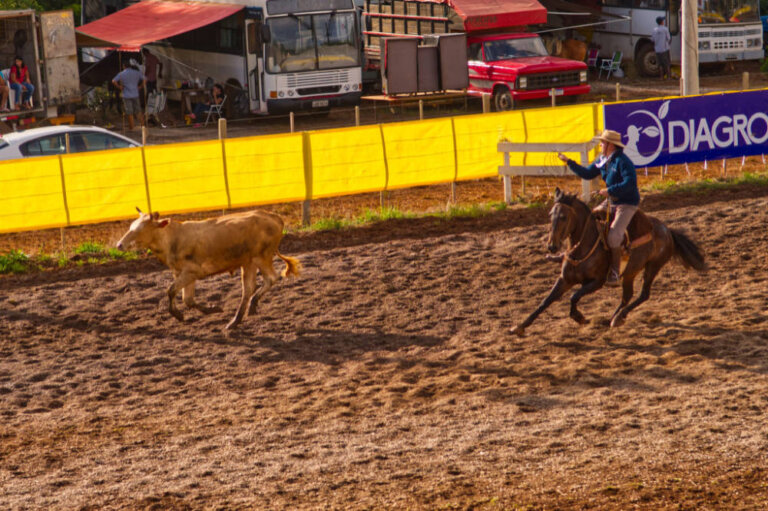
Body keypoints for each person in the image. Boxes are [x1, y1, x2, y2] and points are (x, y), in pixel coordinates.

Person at [557, 129, 640, 286]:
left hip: (626, 203)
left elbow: (630, 184)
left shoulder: (623, 162)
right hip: (612, 201)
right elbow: (588, 173)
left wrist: (609, 190)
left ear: (610, 145)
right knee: (589, 221)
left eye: (602, 143)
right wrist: (569, 162)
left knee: (614, 237)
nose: (600, 145)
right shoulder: (602, 160)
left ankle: (615, 272)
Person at [112, 59, 146, 130]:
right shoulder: (137, 72)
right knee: (138, 111)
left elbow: (114, 81)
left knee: (129, 112)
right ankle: (143, 126)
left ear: (124, 66)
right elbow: (145, 79)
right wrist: (140, 86)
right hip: (135, 94)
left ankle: (132, 127)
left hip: (126, 95)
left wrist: (119, 87)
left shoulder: (122, 73)